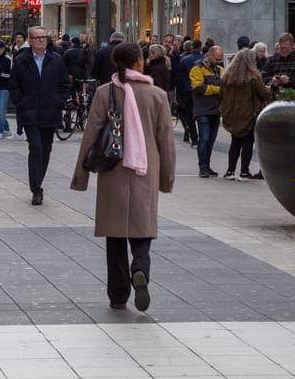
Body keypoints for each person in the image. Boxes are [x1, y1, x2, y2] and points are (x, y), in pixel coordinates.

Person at [71, 42, 176, 310]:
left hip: (112, 168)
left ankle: (118, 294)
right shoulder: (157, 95)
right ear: (140, 61)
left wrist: (81, 177)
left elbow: (91, 134)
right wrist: (166, 178)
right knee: (142, 228)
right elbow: (166, 140)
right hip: (145, 168)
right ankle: (140, 267)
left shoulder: (105, 93)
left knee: (115, 234)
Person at [11, 27, 72, 204]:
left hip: (50, 112)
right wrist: (22, 105)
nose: (41, 40)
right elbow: (14, 87)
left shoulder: (56, 60)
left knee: (45, 150)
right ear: (30, 40)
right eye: (37, 38)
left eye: (43, 37)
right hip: (30, 113)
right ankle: (36, 188)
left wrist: (59, 101)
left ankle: (38, 181)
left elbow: (64, 84)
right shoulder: (21, 60)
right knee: (35, 148)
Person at [220, 47, 271, 180]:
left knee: (235, 142)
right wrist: (270, 88)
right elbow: (264, 94)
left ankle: (230, 171)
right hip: (249, 113)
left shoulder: (227, 76)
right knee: (248, 142)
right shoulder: (254, 77)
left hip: (232, 114)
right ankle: (244, 171)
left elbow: (221, 94)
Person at [190, 45, 225, 177]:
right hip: (202, 109)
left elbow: (225, 85)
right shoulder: (197, 69)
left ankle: (207, 165)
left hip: (216, 109)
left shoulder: (220, 70)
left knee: (211, 140)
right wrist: (217, 89)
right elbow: (198, 88)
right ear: (209, 55)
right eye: (217, 58)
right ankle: (202, 167)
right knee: (204, 139)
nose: (219, 61)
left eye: (220, 58)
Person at [175, 40, 199, 145]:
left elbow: (180, 77)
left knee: (189, 114)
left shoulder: (184, 59)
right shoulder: (203, 59)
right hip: (199, 91)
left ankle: (193, 136)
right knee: (198, 114)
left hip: (187, 90)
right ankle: (198, 136)